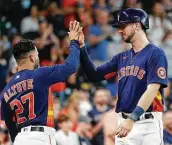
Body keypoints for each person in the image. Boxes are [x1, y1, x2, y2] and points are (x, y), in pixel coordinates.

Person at [77, 8, 168, 145]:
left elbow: (152, 90)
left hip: (148, 124)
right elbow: (93, 75)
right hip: (123, 123)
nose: (120, 30)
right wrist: (82, 48)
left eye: (123, 25)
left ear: (137, 25)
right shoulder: (121, 58)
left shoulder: (156, 54)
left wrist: (132, 118)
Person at [0, 20, 82, 145]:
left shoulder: (6, 89)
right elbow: (70, 67)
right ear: (32, 57)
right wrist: (74, 42)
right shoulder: (39, 74)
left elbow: (9, 123)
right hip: (40, 136)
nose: (38, 57)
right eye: (37, 55)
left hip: (20, 139)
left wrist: (18, 138)